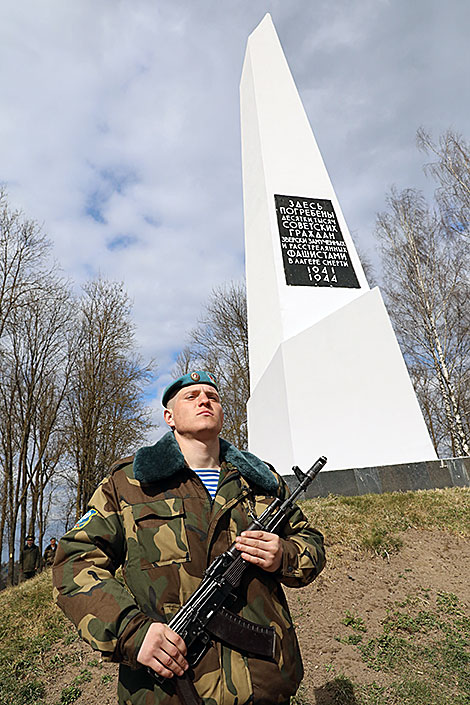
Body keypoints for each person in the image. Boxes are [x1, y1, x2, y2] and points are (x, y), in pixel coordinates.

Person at [53, 371, 325, 705]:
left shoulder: (262, 481)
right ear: (169, 416)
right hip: (168, 691)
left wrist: (284, 554)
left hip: (265, 684)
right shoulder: (129, 484)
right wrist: (131, 631)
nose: (204, 400)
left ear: (222, 413)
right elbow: (74, 562)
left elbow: (310, 540)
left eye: (212, 395)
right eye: (191, 396)